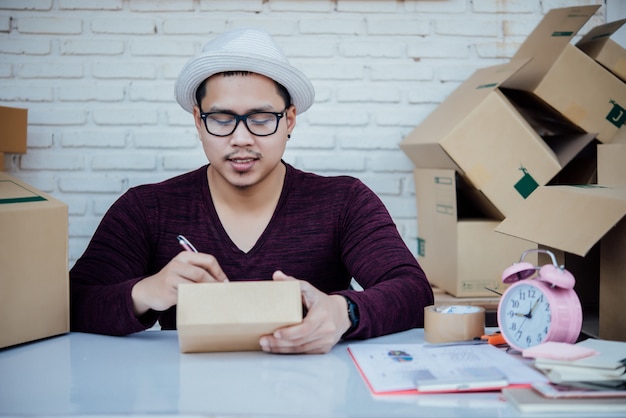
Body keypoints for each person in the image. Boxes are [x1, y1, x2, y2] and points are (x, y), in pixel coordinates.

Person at [69, 28, 434, 354]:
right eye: (222, 119)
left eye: (260, 119)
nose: (241, 139)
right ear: (198, 121)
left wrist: (346, 312)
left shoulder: (344, 201)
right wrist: (145, 292)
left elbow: (414, 292)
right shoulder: (146, 209)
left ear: (289, 120)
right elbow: (70, 303)